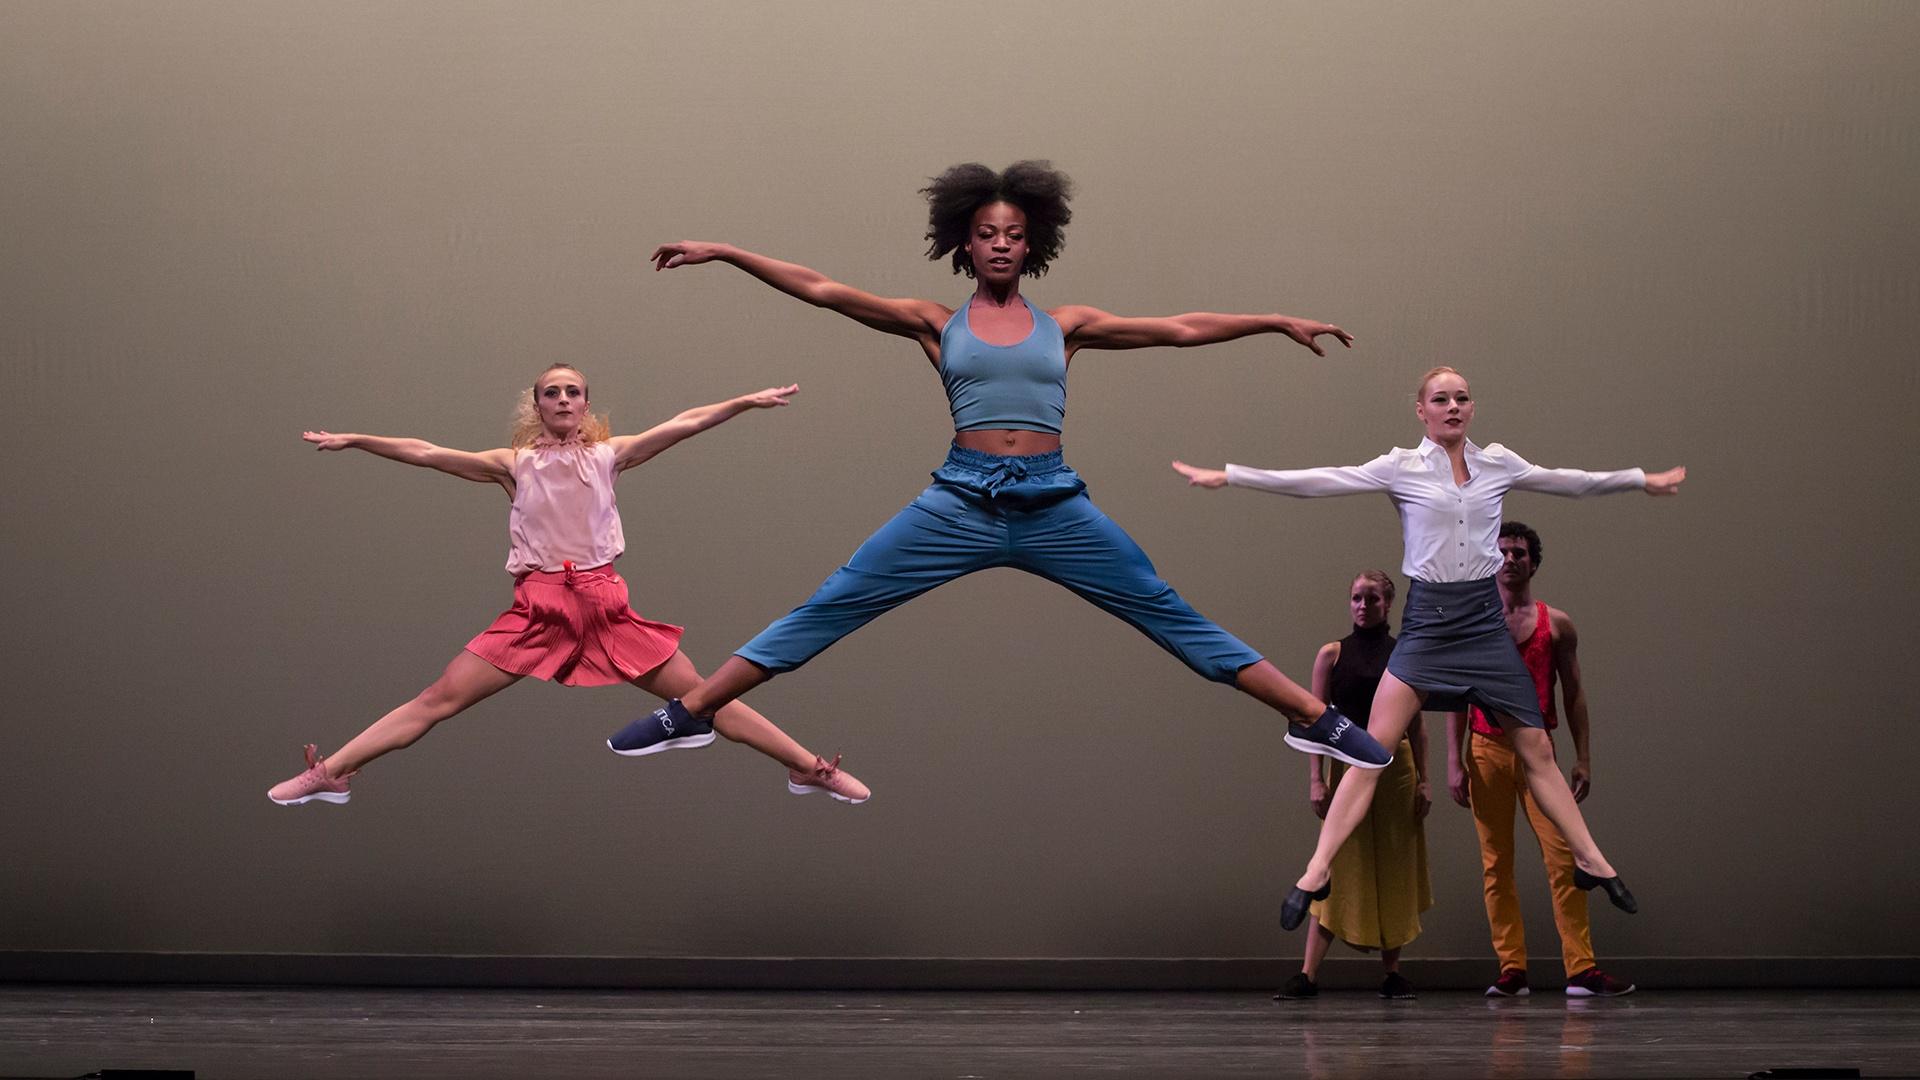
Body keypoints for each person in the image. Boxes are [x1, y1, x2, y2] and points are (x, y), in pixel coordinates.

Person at [605, 161, 1391, 772]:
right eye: (988, 232)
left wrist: (1271, 321)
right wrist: (727, 252)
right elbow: (822, 290)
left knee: (1166, 610)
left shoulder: (1068, 326)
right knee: (834, 601)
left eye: (1015, 232)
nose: (1003, 242)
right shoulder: (934, 323)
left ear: (1033, 242)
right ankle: (694, 712)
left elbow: (1179, 328)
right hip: (959, 504)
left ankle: (1314, 720)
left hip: (1053, 509)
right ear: (966, 243)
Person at [1172, 365, 1685, 928]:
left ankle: (1592, 859)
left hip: (1485, 627)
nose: (1453, 407)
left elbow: (1571, 480)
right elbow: (1323, 479)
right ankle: (1315, 870)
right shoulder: (1402, 466)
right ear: (1422, 410)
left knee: (1536, 750)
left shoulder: (1497, 463)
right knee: (1370, 751)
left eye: (1462, 398)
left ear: (1472, 407)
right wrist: (1233, 476)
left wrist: (1641, 479)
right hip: (1430, 625)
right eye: (1441, 399)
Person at [267, 365, 870, 807]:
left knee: (709, 698)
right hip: (539, 611)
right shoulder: (513, 464)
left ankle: (807, 769)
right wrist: (356, 440)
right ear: (537, 405)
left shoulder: (611, 455)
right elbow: (425, 451)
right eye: (550, 391)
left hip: (606, 608)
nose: (561, 398)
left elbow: (685, 423)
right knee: (437, 700)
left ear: (585, 404)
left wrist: (744, 400)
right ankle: (332, 774)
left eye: (572, 391)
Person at [1447, 521, 1635, 997]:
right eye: (1503, 551)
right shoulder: (1472, 622)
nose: (1511, 559)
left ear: (1533, 562)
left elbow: (1574, 694)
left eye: (1520, 553)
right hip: (1486, 748)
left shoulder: (1557, 624)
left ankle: (1581, 969)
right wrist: (1455, 760)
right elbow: (1454, 693)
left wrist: (1583, 758)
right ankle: (1512, 968)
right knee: (1496, 864)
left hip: (1540, 755)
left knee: (1566, 858)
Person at [1279, 571, 1433, 1002]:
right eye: (1356, 599)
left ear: (1388, 604)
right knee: (1336, 864)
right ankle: (1308, 974)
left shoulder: (1406, 655)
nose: (1363, 606)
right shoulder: (1331, 654)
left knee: (1394, 862)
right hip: (1347, 765)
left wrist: (1425, 780)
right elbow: (1313, 721)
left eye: (1371, 599)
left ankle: (1392, 972)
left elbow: (1417, 725)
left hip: (1394, 767)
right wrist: (1315, 778)